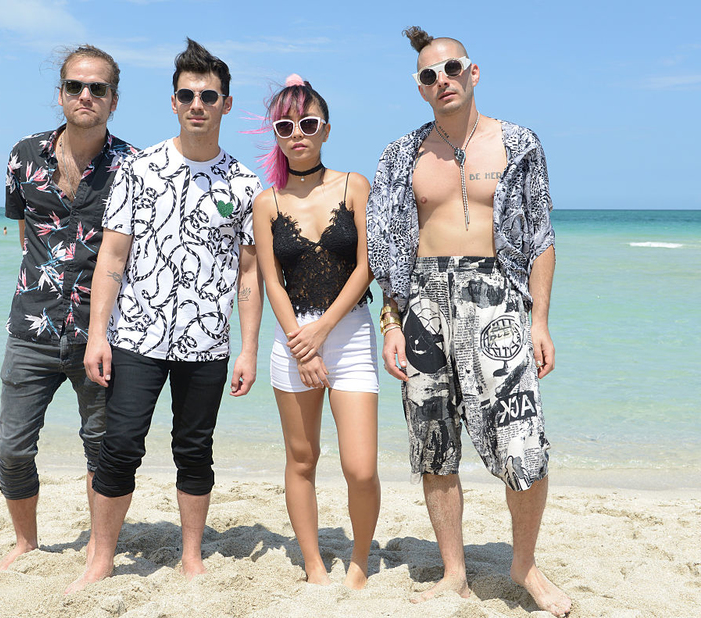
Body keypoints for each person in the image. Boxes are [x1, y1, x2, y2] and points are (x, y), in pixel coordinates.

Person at [366, 28, 570, 617]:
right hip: (424, 304)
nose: (441, 81)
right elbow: (386, 251)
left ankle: (524, 564)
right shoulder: (400, 155)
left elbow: (540, 239)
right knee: (433, 443)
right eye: (428, 76)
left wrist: (541, 321)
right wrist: (392, 323)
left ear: (473, 72)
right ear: (420, 88)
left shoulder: (519, 143)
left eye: (450, 69)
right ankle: (454, 570)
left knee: (523, 442)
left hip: (497, 302)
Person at [66, 38, 263, 593]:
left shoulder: (245, 186)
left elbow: (250, 275)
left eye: (208, 95)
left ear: (225, 104)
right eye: (186, 95)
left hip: (207, 343)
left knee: (194, 449)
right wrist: (97, 336)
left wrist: (247, 348)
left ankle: (192, 556)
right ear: (173, 103)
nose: (196, 104)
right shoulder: (139, 169)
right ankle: (101, 557)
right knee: (120, 445)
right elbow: (112, 257)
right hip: (136, 337)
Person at [0, 45, 136, 572]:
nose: (85, 96)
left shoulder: (134, 167)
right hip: (29, 326)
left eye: (97, 88)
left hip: (100, 335)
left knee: (101, 450)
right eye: (76, 86)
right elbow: (26, 230)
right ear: (60, 94)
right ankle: (26, 543)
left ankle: (100, 552)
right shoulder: (23, 155)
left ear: (113, 100)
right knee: (13, 448)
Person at [252, 75, 380, 589]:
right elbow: (271, 281)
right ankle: (313, 564)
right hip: (292, 342)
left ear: (325, 129)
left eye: (307, 123)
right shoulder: (267, 203)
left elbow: (367, 266)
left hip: (347, 335)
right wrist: (299, 343)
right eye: (286, 126)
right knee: (302, 459)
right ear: (277, 134)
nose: (297, 133)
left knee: (361, 468)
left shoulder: (354, 185)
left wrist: (322, 330)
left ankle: (360, 561)